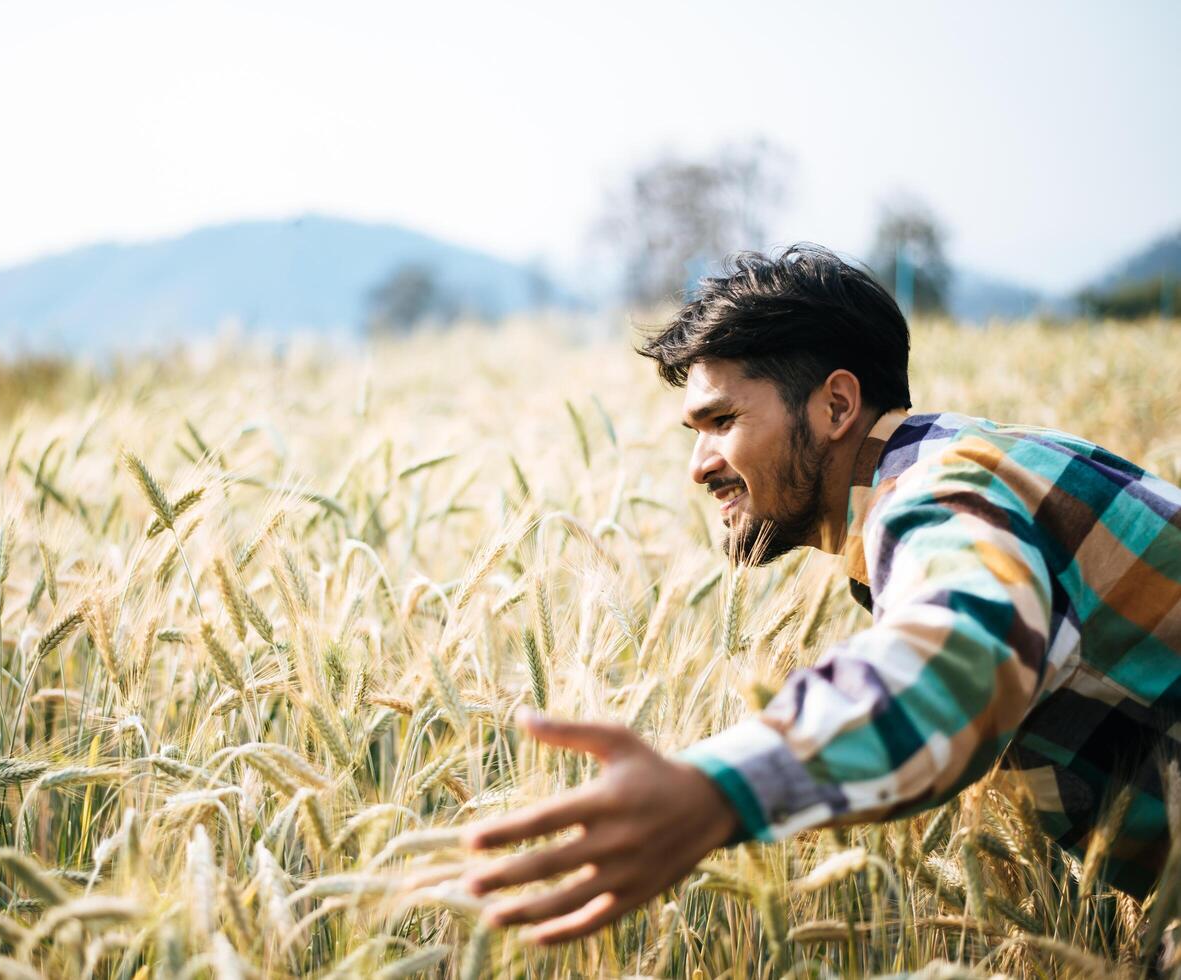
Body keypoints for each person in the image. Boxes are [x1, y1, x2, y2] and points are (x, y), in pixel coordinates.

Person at [459, 243, 1181, 946]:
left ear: (836, 406)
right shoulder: (956, 466)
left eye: (722, 421)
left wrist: (719, 790)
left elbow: (954, 662)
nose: (697, 465)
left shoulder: (939, 495)